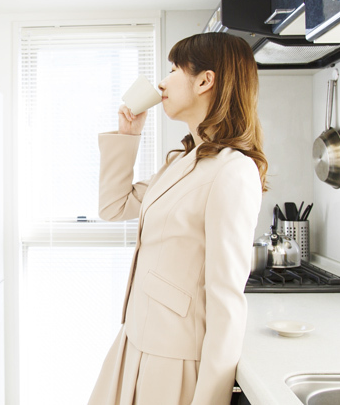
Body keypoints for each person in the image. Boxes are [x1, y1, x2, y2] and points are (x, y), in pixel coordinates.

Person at [88, 32, 267, 405]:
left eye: (173, 70)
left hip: (172, 363)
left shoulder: (233, 171)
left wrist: (210, 399)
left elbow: (226, 300)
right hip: (134, 343)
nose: (162, 83)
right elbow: (114, 206)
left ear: (205, 81)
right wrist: (128, 136)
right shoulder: (181, 162)